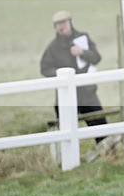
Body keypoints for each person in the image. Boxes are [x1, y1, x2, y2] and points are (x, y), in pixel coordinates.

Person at [40, 10, 107, 143]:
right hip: (65, 96)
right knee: (66, 134)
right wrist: (62, 74)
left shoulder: (83, 38)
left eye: (64, 22)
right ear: (55, 27)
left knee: (101, 129)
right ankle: (68, 156)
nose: (62, 26)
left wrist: (83, 52)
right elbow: (45, 68)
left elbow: (96, 58)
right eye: (58, 24)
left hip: (87, 94)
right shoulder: (52, 47)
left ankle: (108, 152)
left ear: (70, 22)